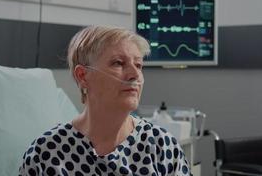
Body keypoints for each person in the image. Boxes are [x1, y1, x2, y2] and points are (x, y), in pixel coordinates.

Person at [19, 26, 191, 176]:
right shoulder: (46, 154)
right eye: (118, 63)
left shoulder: (161, 146)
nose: (135, 74)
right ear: (83, 76)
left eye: (138, 65)